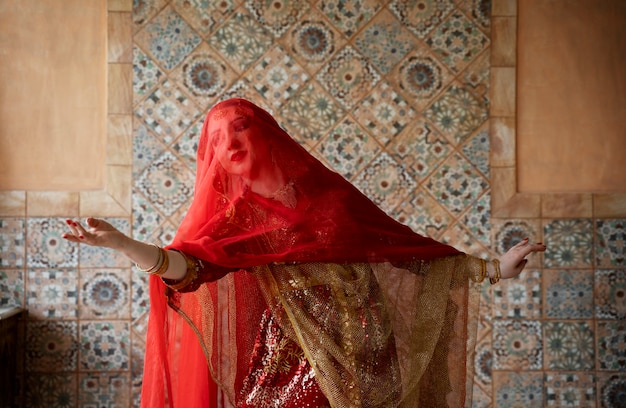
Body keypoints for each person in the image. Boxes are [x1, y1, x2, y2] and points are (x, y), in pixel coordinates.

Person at [63, 98, 546, 408]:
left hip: (370, 359)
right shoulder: (238, 221)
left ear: (267, 133)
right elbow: (188, 268)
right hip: (292, 370)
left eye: (240, 128)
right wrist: (124, 245)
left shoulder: (331, 198)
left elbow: (399, 248)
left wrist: (493, 270)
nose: (228, 144)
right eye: (216, 141)